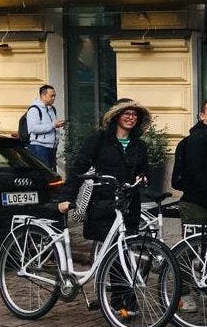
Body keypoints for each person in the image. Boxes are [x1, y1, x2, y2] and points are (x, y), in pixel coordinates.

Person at [57, 99, 151, 242]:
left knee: (127, 246)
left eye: (134, 115)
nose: (131, 117)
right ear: (117, 116)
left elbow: (144, 169)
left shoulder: (139, 145)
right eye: (127, 113)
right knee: (105, 248)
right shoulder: (99, 140)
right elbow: (79, 168)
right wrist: (66, 197)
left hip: (129, 203)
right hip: (103, 202)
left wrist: (143, 177)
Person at [175, 99, 207, 227]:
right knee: (195, 246)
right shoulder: (196, 139)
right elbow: (195, 172)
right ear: (202, 116)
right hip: (197, 206)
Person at [25, 84, 65, 170]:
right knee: (44, 174)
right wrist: (53, 125)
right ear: (43, 96)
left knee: (51, 174)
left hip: (52, 147)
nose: (54, 98)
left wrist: (57, 125)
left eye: (55, 96)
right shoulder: (34, 109)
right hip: (39, 147)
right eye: (51, 96)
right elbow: (33, 128)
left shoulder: (51, 109)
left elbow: (51, 126)